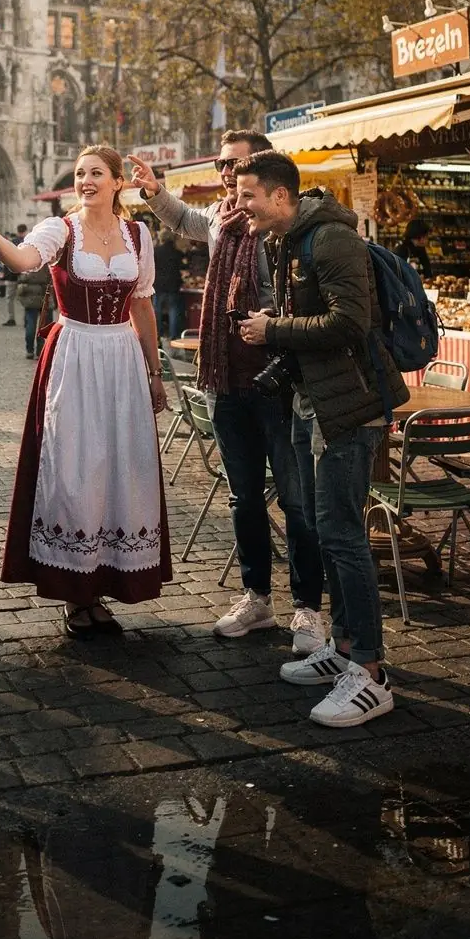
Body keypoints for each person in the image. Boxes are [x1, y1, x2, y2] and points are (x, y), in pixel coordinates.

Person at [0, 144, 172, 637]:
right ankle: (75, 593)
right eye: (79, 173)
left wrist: (155, 372)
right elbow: (24, 260)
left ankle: (104, 584)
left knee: (120, 467)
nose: (86, 180)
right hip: (75, 355)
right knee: (76, 467)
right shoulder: (61, 229)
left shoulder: (138, 235)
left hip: (122, 359)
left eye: (96, 173)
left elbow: (142, 306)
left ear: (118, 181)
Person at [129, 134, 325, 656]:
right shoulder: (221, 218)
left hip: (278, 382)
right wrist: (154, 192)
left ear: (261, 171)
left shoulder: (282, 226)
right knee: (243, 497)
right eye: (220, 165)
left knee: (297, 500)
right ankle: (257, 596)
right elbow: (186, 221)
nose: (225, 174)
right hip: (225, 379)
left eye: (234, 165)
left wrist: (276, 326)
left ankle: (308, 606)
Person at [237, 151, 408, 728]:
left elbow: (351, 322)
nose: (242, 205)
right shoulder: (284, 242)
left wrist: (273, 329)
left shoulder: (330, 239)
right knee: (321, 526)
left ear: (281, 196)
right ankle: (341, 645)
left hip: (350, 407)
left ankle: (372, 672)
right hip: (312, 404)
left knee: (343, 535)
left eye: (249, 194)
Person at [152, 228, 185, 341]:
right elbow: (183, 268)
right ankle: (173, 336)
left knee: (157, 311)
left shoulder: (155, 251)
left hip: (158, 285)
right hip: (173, 285)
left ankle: (158, 335)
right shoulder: (177, 253)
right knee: (174, 311)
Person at [18, 262, 53, 360]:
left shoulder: (28, 263)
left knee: (30, 324)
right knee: (44, 326)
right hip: (44, 297)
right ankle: (40, 351)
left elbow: (21, 280)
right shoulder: (47, 263)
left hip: (30, 298)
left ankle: (29, 350)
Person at [3, 224, 28, 325]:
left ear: (17, 231)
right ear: (25, 231)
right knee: (26, 297)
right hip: (25, 275)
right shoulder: (28, 243)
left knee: (10, 298)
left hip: (11, 275)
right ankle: (26, 319)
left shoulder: (12, 243)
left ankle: (11, 318)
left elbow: (5, 258)